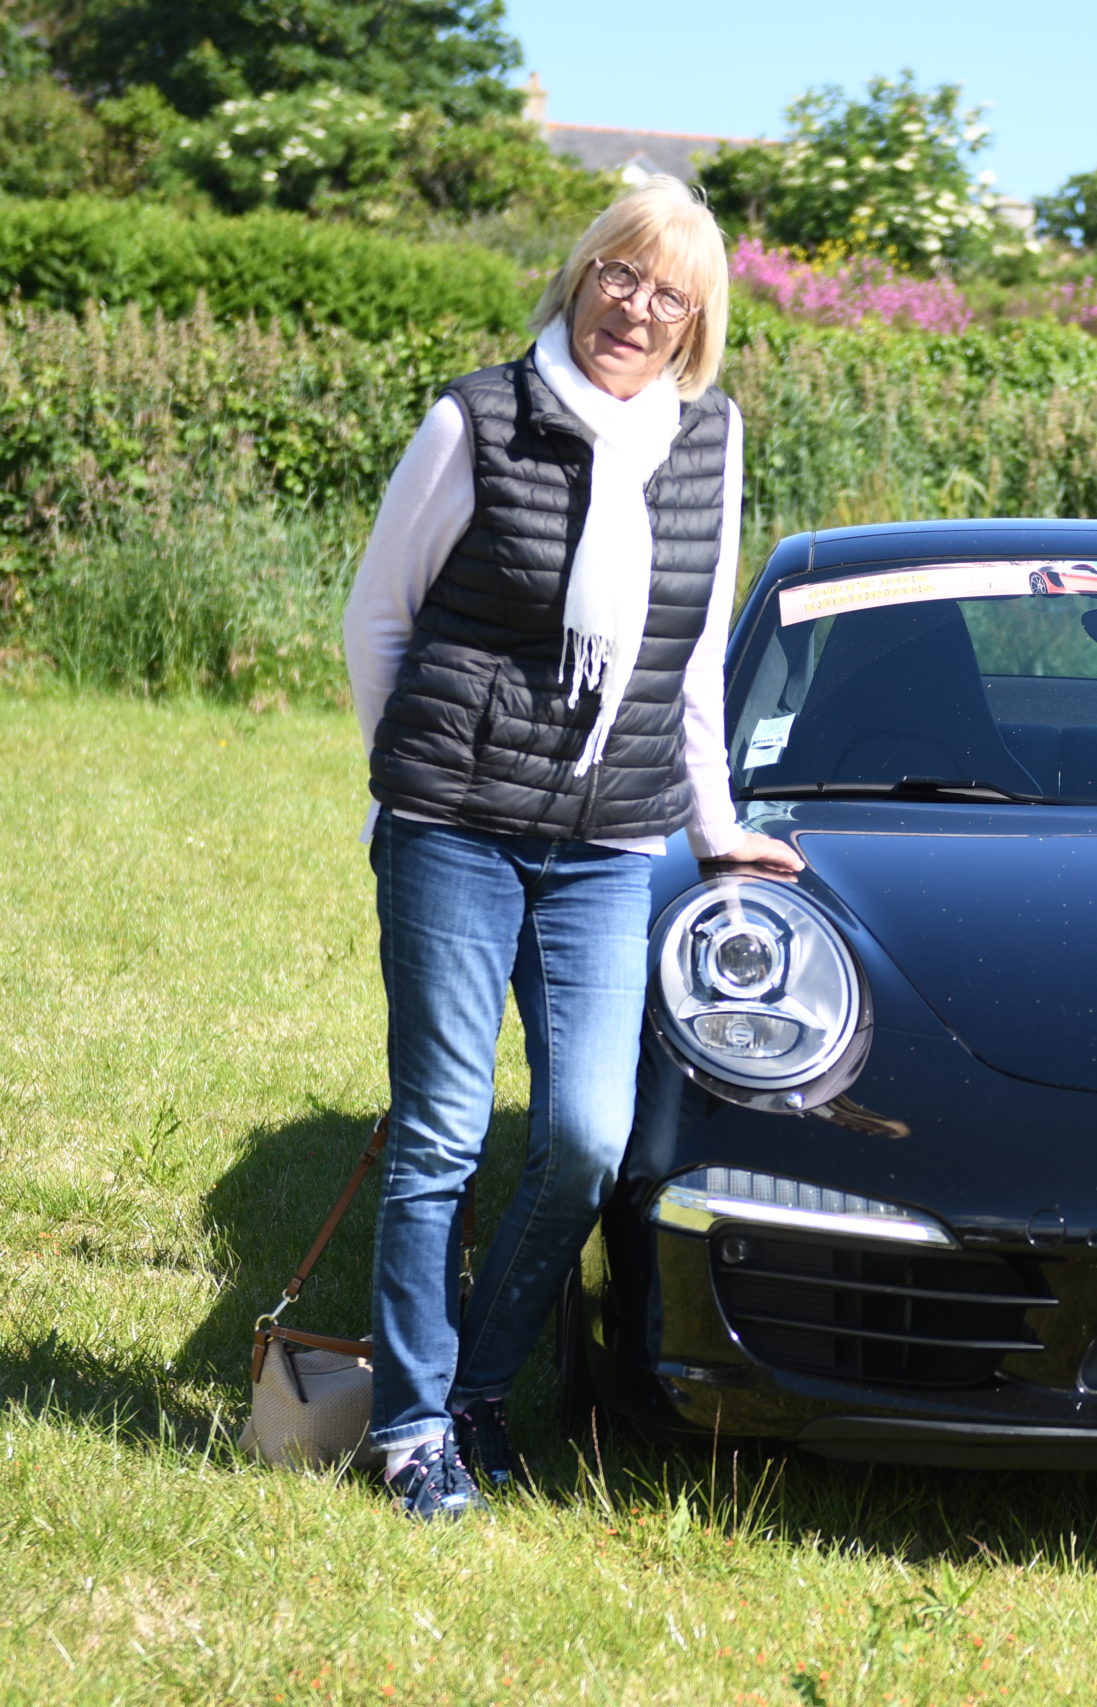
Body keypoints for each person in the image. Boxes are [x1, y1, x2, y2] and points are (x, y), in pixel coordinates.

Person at [342, 176, 801, 1519]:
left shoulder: (708, 444)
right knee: (440, 1133)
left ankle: (480, 1383)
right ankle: (411, 1428)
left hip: (611, 841)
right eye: (619, 274)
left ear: (696, 323)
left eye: (669, 294)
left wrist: (716, 827)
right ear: (580, 273)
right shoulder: (476, 418)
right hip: (454, 827)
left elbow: (694, 659)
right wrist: (408, 782)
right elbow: (379, 620)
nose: (635, 308)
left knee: (588, 1138)